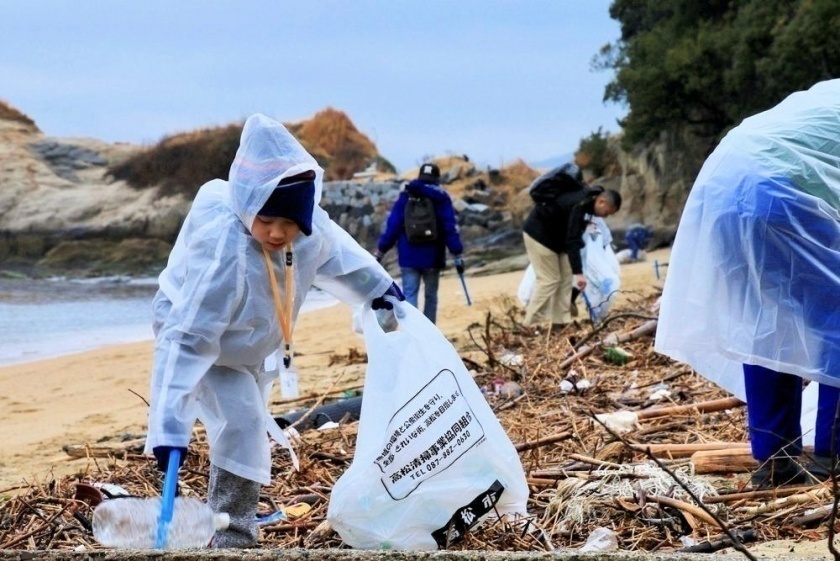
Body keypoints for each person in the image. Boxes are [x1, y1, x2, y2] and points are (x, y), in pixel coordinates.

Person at [143, 114, 404, 548]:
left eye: (290, 223)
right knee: (243, 421)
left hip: (249, 342)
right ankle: (235, 536)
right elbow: (187, 340)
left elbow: (345, 257)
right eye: (267, 220)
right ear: (247, 205)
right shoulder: (223, 254)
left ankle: (227, 524)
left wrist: (379, 291)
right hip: (194, 334)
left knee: (241, 422)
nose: (278, 233)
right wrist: (169, 428)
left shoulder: (307, 233)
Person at [654, 79, 840, 487]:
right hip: (782, 193)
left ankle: (776, 462)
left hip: (723, 186)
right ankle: (833, 459)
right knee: (836, 325)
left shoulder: (828, 94)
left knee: (767, 321)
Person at [521, 163, 622, 328]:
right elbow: (573, 240)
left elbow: (573, 240)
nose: (606, 217)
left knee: (566, 278)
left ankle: (560, 321)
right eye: (607, 213)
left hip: (556, 240)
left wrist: (576, 272)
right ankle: (531, 323)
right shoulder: (580, 204)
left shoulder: (588, 201)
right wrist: (579, 274)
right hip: (539, 236)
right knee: (549, 279)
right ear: (602, 202)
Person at [373, 163, 464, 324]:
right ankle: (429, 333)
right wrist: (456, 251)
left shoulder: (406, 195)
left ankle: (413, 331)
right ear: (436, 179)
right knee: (431, 296)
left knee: (409, 294)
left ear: (419, 177)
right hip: (433, 257)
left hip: (409, 256)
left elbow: (393, 226)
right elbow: (449, 226)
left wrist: (381, 250)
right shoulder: (441, 198)